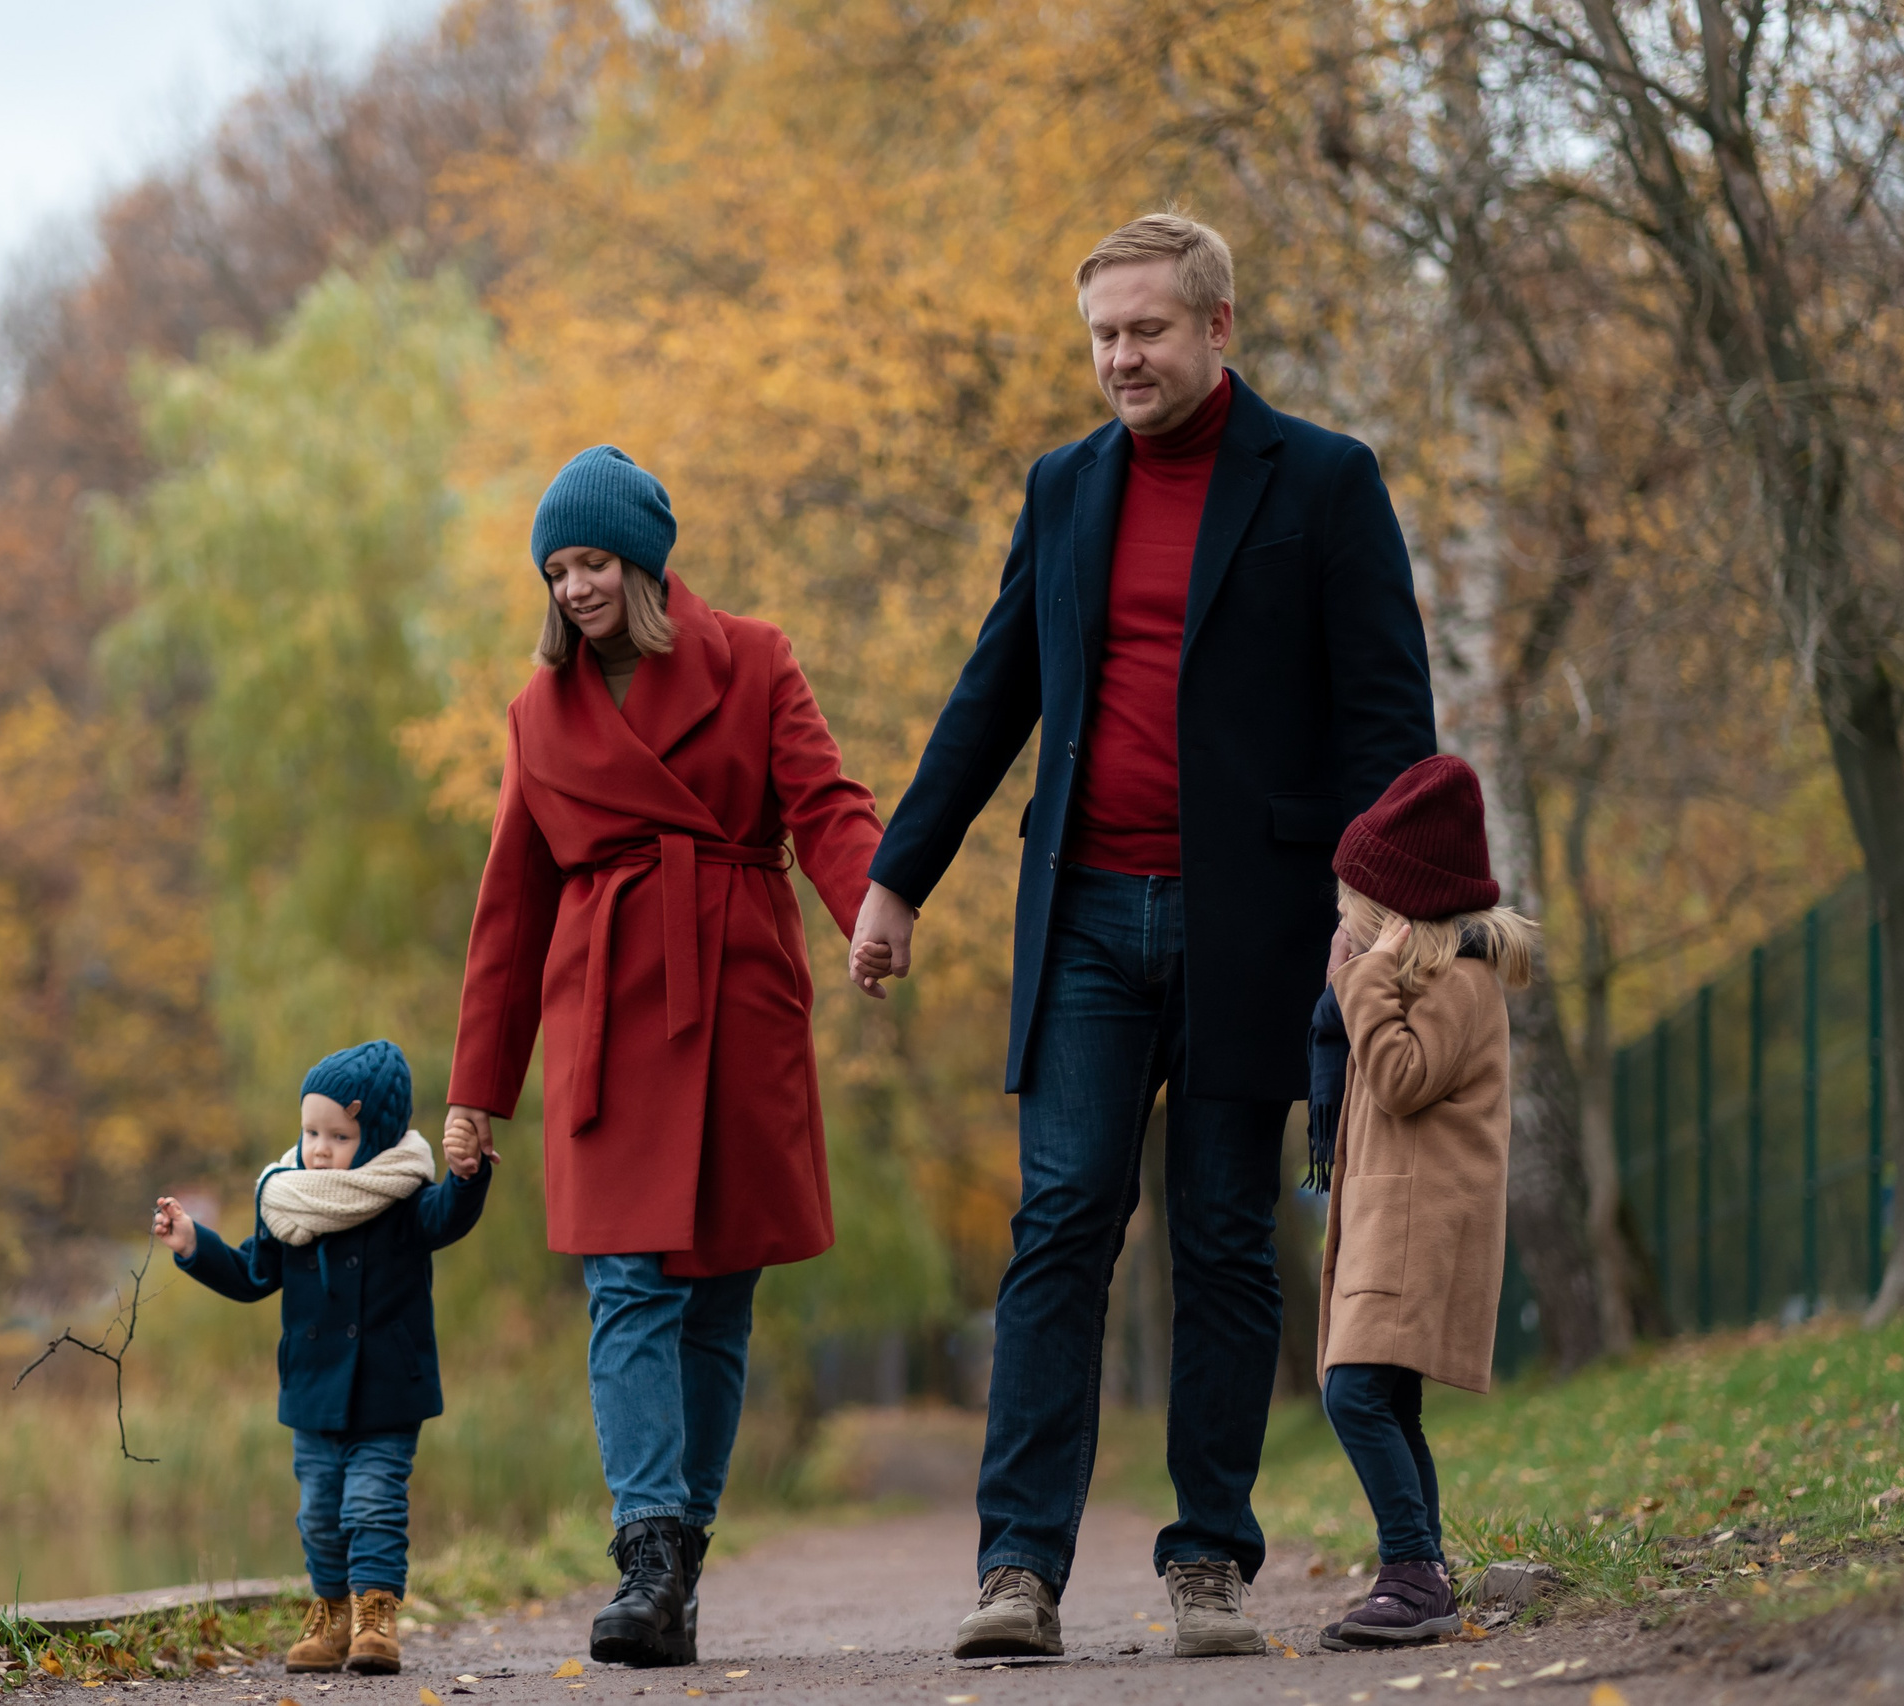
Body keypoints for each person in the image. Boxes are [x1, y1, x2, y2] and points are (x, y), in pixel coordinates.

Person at [846, 213, 1436, 1660]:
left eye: (1147, 330)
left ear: (1217, 325)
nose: (1121, 357)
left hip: (1266, 922)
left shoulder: (1326, 482)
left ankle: (1210, 1562)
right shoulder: (1063, 491)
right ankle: (1019, 1570)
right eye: (1104, 334)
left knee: (1229, 1241)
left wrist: (1375, 915)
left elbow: (1386, 719)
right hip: (1089, 920)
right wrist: (897, 874)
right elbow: (993, 697)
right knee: (1060, 1224)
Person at [445, 445, 882, 1668]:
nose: (573, 587)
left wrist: (869, 909)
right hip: (607, 1014)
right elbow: (508, 911)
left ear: (641, 559)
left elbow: (826, 801)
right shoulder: (540, 713)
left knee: (718, 1294)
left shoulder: (755, 657)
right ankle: (646, 1550)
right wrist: (477, 1091)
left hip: (736, 994)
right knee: (625, 1283)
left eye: (589, 562)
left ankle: (680, 1557)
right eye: (555, 570)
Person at [152, 1040, 493, 1677]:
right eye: (311, 1131)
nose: (319, 1148)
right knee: (318, 1515)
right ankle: (332, 1612)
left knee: (373, 1504)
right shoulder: (289, 1200)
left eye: (338, 1135)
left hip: (387, 1390)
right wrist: (195, 1245)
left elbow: (448, 1216)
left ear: (377, 1134)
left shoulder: (403, 1199)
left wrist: (468, 1176)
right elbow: (255, 1274)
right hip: (312, 1391)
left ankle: (374, 1615)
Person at [1312, 756, 1534, 1650]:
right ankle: (1421, 1574)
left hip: (1418, 1226)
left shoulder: (1460, 984)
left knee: (1353, 1395)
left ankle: (1414, 1569)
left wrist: (1359, 983)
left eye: (1350, 914)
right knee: (1386, 1402)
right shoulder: (1426, 982)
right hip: (1392, 1219)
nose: (1341, 929)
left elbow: (1401, 1081)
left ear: (1393, 918)